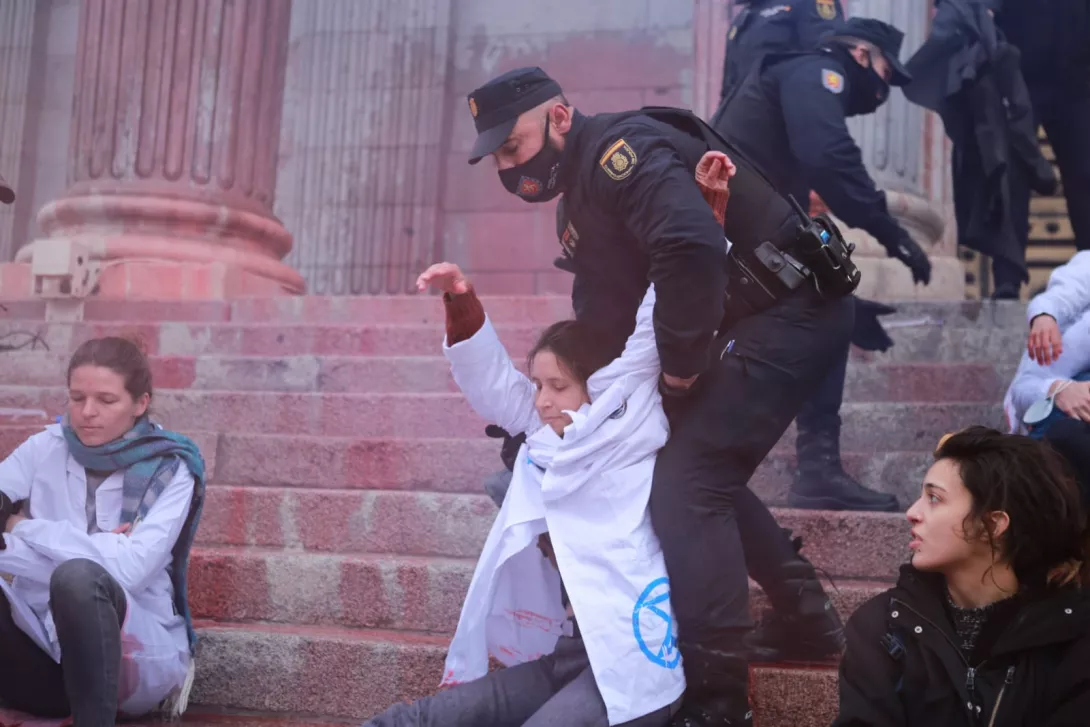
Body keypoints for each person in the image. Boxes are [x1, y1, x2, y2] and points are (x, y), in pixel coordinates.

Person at [464, 65, 856, 726]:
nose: (512, 167)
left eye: (515, 145)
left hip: (793, 306)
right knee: (680, 457)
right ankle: (805, 615)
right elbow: (603, 327)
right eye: (500, 156)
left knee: (688, 478)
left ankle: (719, 704)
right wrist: (558, 413)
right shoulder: (579, 208)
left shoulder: (622, 155)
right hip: (742, 319)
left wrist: (678, 370)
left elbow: (690, 243)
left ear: (560, 116)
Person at [363, 263, 682, 726]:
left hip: (634, 664)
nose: (542, 400)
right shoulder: (545, 438)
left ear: (599, 387)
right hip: (570, 656)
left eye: (558, 386)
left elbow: (654, 328)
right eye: (537, 385)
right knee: (417, 719)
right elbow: (494, 385)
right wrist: (461, 302)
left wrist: (701, 224)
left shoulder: (630, 426)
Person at [710, 17, 930, 513]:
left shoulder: (794, 75)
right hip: (727, 225)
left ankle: (815, 467)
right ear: (861, 55)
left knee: (833, 300)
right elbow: (828, 156)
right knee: (829, 299)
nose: (883, 88)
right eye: (885, 74)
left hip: (737, 223)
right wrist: (893, 235)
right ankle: (816, 469)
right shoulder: (815, 73)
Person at [0, 336, 205, 725]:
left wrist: (19, 527)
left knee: (77, 579)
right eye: (77, 398)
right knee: (77, 572)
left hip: (130, 660)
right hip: (45, 654)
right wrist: (103, 546)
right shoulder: (46, 446)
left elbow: (128, 571)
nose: (86, 413)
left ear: (140, 403)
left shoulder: (171, 469)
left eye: (106, 401)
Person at [831, 426, 1090, 726]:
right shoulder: (882, 627)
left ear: (992, 525)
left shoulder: (1071, 636)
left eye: (934, 498)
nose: (912, 512)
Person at [905, 0, 1058, 300]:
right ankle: (1006, 283)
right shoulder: (999, 57)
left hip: (982, 156)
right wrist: (1039, 167)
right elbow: (1020, 114)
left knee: (996, 214)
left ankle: (1005, 284)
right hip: (1004, 157)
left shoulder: (957, 68)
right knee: (1006, 214)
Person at [993, 0, 1090, 277]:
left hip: (1075, 83)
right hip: (1016, 78)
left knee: (1085, 176)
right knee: (1011, 178)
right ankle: (1006, 281)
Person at [1003, 250, 1090, 502]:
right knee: (1065, 435)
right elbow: (1024, 390)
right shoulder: (1074, 330)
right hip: (1063, 426)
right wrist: (1059, 390)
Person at [718, 0, 845, 103]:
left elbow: (826, 62)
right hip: (746, 118)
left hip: (789, 116)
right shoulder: (746, 14)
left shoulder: (808, 3)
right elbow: (729, 83)